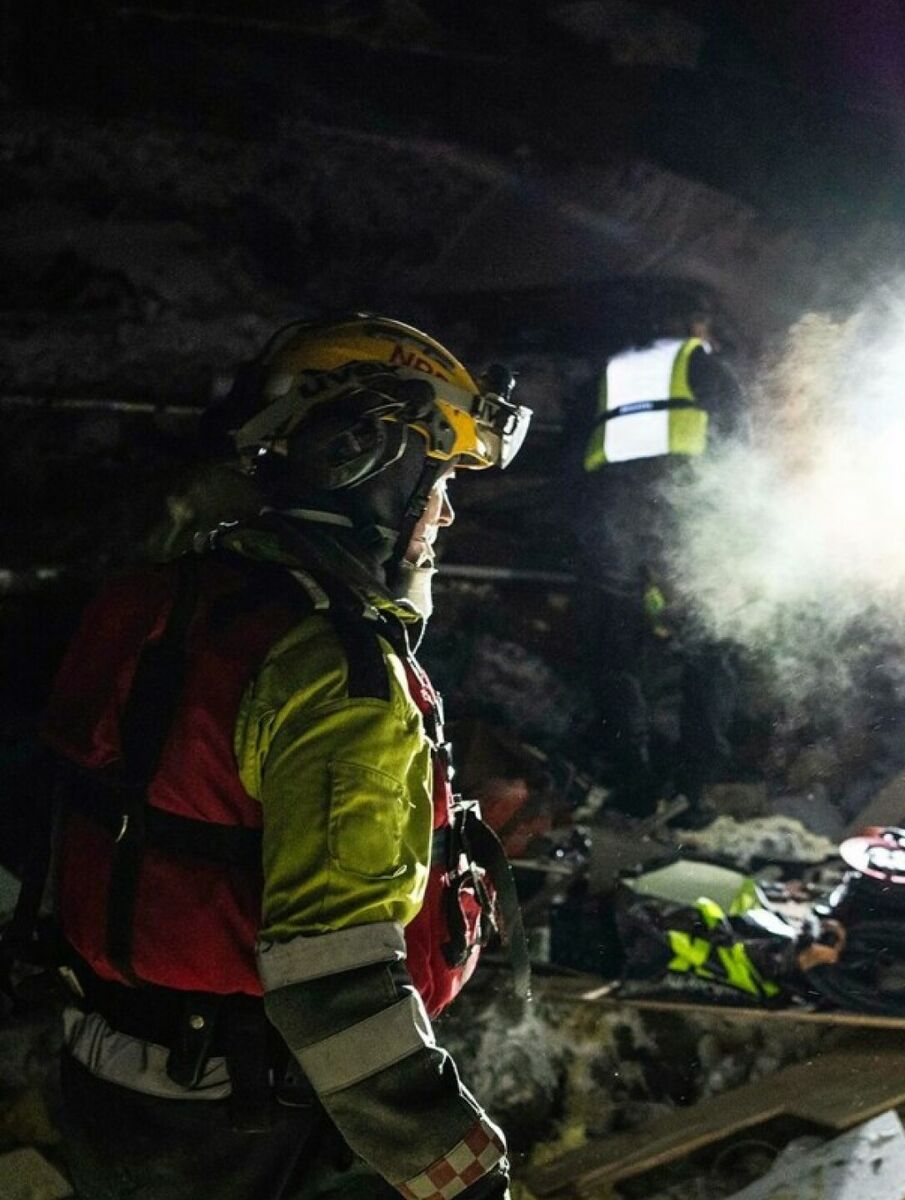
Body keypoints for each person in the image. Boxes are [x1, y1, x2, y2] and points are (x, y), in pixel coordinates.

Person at [39, 315, 533, 1199]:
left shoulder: (159, 602)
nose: (445, 512)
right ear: (373, 460)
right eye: (441, 476)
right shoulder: (337, 673)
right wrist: (456, 1170)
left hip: (112, 1090)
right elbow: (334, 982)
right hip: (262, 1118)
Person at [573, 327, 745, 822]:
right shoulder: (707, 368)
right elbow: (739, 459)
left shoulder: (607, 374)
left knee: (614, 664)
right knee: (709, 660)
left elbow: (573, 464)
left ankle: (634, 784)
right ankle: (691, 794)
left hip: (613, 532)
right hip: (688, 531)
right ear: (700, 327)